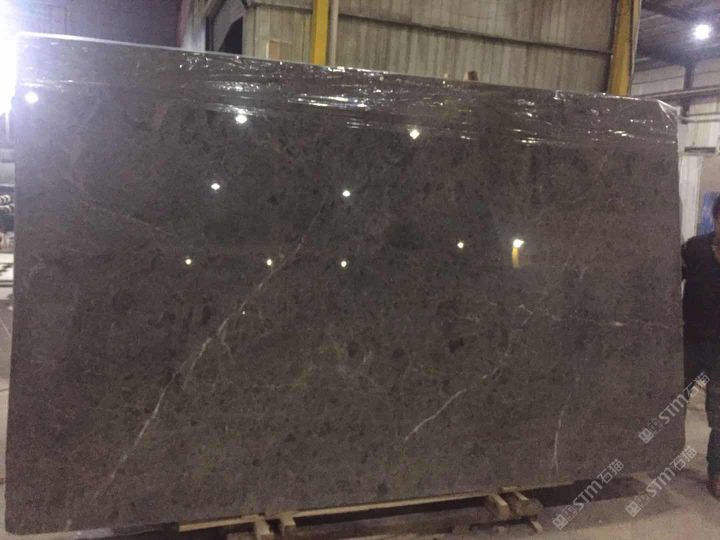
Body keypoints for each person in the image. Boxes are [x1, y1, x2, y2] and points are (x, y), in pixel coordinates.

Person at [683, 193, 720, 497]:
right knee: (670, 402)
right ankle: (657, 456)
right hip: (691, 342)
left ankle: (717, 471)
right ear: (716, 219)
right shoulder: (695, 249)